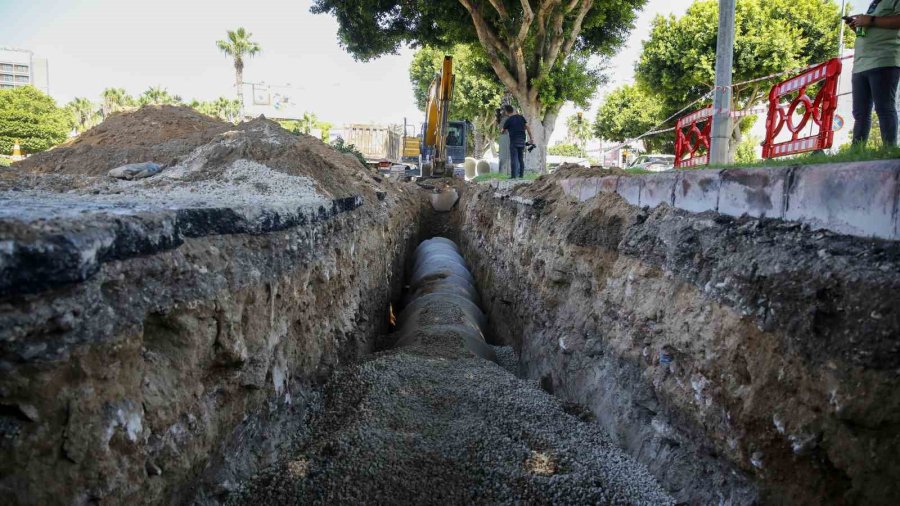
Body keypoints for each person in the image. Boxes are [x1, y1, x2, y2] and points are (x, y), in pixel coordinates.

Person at [846, 1, 900, 147]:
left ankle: (889, 151)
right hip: (860, 64)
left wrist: (870, 20)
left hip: (884, 59)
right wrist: (858, 27)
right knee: (860, 113)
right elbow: (871, 30)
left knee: (884, 108)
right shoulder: (874, 3)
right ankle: (856, 152)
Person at [500, 105, 533, 178]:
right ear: (513, 110)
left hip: (514, 142)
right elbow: (527, 127)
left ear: (506, 112)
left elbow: (502, 131)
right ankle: (521, 175)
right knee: (521, 159)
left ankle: (513, 176)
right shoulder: (521, 118)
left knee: (513, 159)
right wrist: (531, 138)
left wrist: (504, 130)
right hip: (522, 141)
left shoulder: (508, 120)